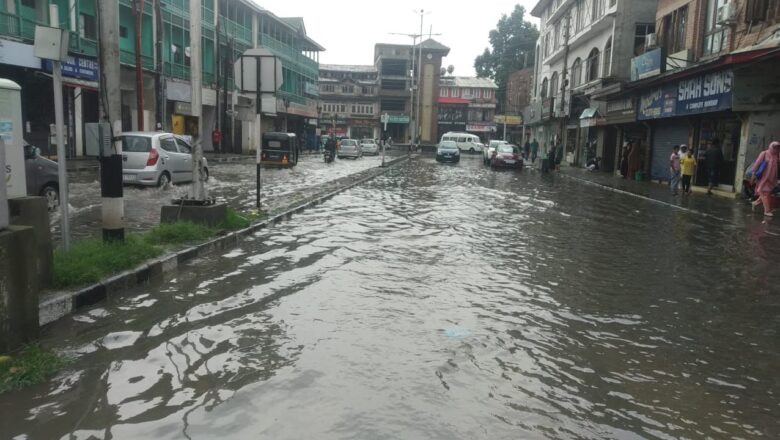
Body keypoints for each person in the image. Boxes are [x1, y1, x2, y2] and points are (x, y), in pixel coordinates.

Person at [751, 142, 780, 216]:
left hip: (772, 178)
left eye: (777, 147)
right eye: (775, 147)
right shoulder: (764, 153)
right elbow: (757, 163)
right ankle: (767, 211)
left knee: (767, 192)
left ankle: (756, 202)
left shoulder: (776, 155)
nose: (776, 149)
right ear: (771, 146)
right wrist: (754, 173)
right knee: (765, 193)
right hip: (764, 177)